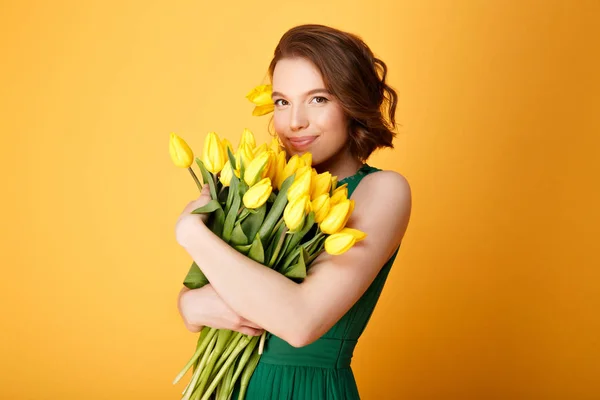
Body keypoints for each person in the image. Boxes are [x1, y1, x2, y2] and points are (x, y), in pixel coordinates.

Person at [176, 23, 412, 399]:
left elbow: (300, 321)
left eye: (318, 99)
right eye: (283, 101)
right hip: (231, 388)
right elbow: (206, 296)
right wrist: (188, 303)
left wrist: (191, 234)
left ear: (352, 102)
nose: (293, 121)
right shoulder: (262, 186)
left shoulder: (382, 191)